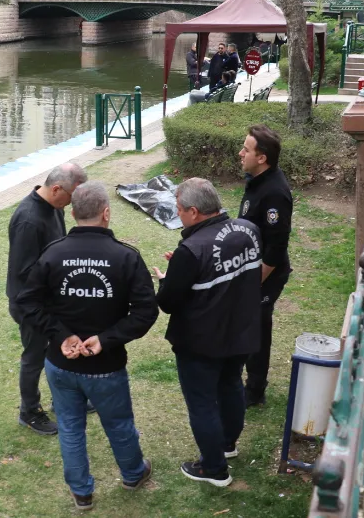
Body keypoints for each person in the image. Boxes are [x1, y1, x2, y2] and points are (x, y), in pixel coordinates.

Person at [16, 182, 158, 511]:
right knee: (118, 423)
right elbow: (145, 312)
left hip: (61, 363)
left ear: (73, 213)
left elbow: (28, 303)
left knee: (69, 426)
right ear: (106, 213)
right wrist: (105, 340)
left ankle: (82, 492)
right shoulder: (126, 257)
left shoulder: (52, 254)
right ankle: (133, 473)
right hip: (104, 366)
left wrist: (61, 335)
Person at [152, 178, 262, 487]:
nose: (178, 215)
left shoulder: (191, 248)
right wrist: (185, 270)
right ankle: (227, 444)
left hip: (201, 341)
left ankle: (213, 469)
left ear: (194, 211)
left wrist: (167, 278)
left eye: (179, 210)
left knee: (202, 403)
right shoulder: (248, 230)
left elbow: (168, 302)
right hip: (241, 331)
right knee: (230, 385)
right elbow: (226, 268)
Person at [7, 163, 88, 435]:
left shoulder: (56, 207)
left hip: (52, 299)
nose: (74, 205)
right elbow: (24, 272)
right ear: (56, 189)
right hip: (30, 304)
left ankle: (62, 399)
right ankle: (28, 411)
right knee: (34, 357)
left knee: (57, 349)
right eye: (72, 197)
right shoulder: (28, 219)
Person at [237, 125, 293, 407]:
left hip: (266, 274)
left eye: (246, 150)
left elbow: (276, 247)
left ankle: (255, 389)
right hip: (249, 270)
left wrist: (255, 280)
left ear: (262, 158)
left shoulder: (274, 194)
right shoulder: (256, 181)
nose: (241, 153)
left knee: (258, 326)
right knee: (245, 322)